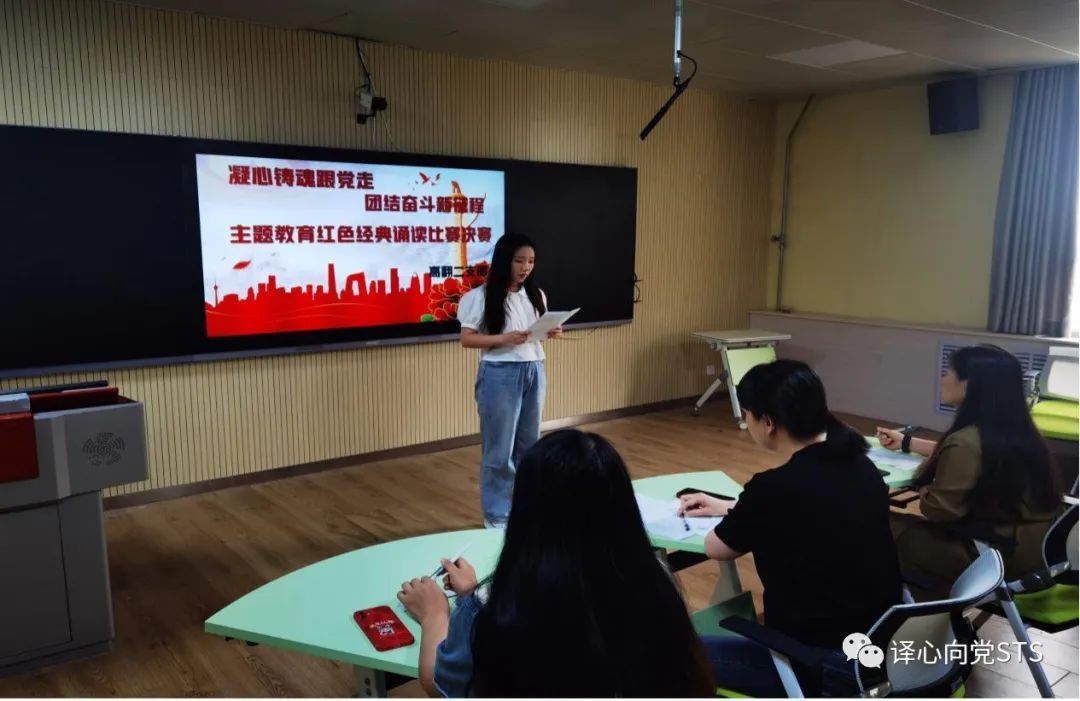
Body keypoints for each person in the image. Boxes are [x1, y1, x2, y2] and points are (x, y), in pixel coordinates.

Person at [398, 429, 715, 697]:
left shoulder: (489, 610)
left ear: (526, 513)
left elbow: (443, 684)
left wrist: (435, 614)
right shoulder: (658, 579)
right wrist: (471, 595)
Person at [679, 360, 903, 697]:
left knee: (676, 655)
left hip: (815, 663)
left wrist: (747, 508)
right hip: (880, 643)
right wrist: (731, 506)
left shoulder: (772, 488)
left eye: (747, 414)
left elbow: (716, 547)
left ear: (767, 422)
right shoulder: (862, 466)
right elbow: (815, 508)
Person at [878, 345, 1062, 591]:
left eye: (948, 372)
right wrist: (907, 442)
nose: (942, 379)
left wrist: (924, 488)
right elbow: (979, 454)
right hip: (1036, 552)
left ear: (968, 385)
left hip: (991, 558)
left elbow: (938, 510)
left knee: (879, 524)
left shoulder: (965, 442)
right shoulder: (1020, 432)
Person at [456, 233, 561, 528]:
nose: (525, 267)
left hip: (534, 369)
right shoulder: (479, 297)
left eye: (531, 261)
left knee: (530, 446)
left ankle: (526, 509)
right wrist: (504, 338)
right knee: (499, 450)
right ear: (505, 261)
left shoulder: (536, 294)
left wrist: (550, 331)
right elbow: (467, 339)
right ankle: (497, 516)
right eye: (519, 261)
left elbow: (532, 334)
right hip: (499, 373)